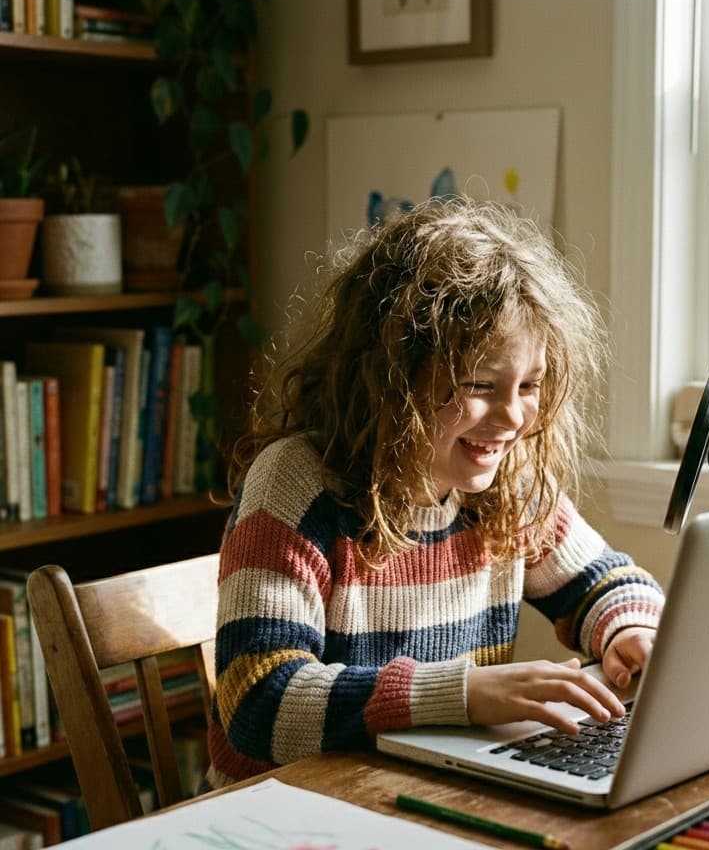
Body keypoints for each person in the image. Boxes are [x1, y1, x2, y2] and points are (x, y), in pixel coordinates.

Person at [206, 197, 665, 789]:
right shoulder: (296, 483)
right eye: (479, 384)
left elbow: (608, 581)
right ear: (389, 379)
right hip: (285, 814)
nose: (513, 416)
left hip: (420, 794)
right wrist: (463, 694)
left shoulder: (506, 484)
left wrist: (629, 631)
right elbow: (258, 704)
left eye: (530, 385)